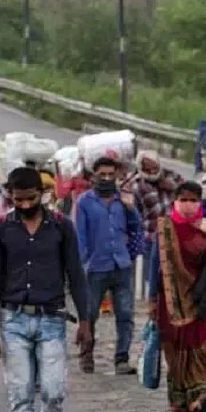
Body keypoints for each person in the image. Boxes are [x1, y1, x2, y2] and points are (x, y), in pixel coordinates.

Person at [0, 167, 93, 412]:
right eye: (18, 200)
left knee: (54, 391)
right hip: (14, 320)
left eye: (30, 198)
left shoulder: (61, 227)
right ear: (10, 197)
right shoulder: (0, 230)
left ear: (41, 195)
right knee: (20, 394)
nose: (25, 205)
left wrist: (85, 321)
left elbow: (76, 274)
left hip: (52, 320)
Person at [147, 181, 206, 412]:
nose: (189, 205)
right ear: (175, 202)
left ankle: (205, 393)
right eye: (184, 200)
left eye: (194, 200)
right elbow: (155, 265)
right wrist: (152, 299)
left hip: (201, 296)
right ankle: (182, 396)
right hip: (172, 298)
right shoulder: (165, 227)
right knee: (177, 345)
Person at [75, 157, 143, 375]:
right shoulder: (84, 202)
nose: (106, 178)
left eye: (110, 175)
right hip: (95, 267)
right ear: (94, 176)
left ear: (116, 175)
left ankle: (122, 358)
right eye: (101, 175)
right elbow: (81, 236)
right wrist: (80, 265)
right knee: (90, 313)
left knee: (125, 314)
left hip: (121, 264)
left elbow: (136, 227)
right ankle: (87, 354)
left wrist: (131, 208)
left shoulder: (123, 200)